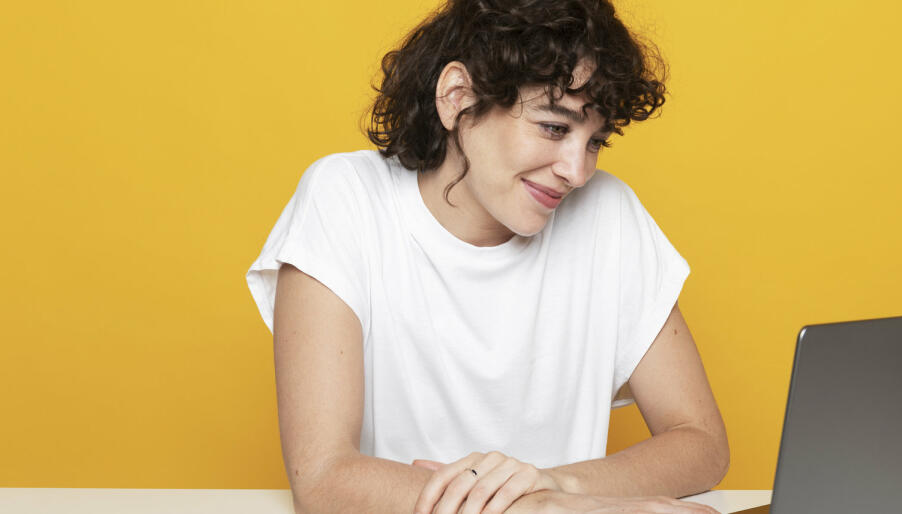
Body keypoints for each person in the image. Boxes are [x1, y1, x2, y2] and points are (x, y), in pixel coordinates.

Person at [245, 1, 728, 512]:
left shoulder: (608, 214)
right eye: (554, 128)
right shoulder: (345, 199)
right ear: (457, 97)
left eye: (596, 142)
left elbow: (701, 442)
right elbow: (323, 480)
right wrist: (536, 509)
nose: (578, 171)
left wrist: (558, 486)